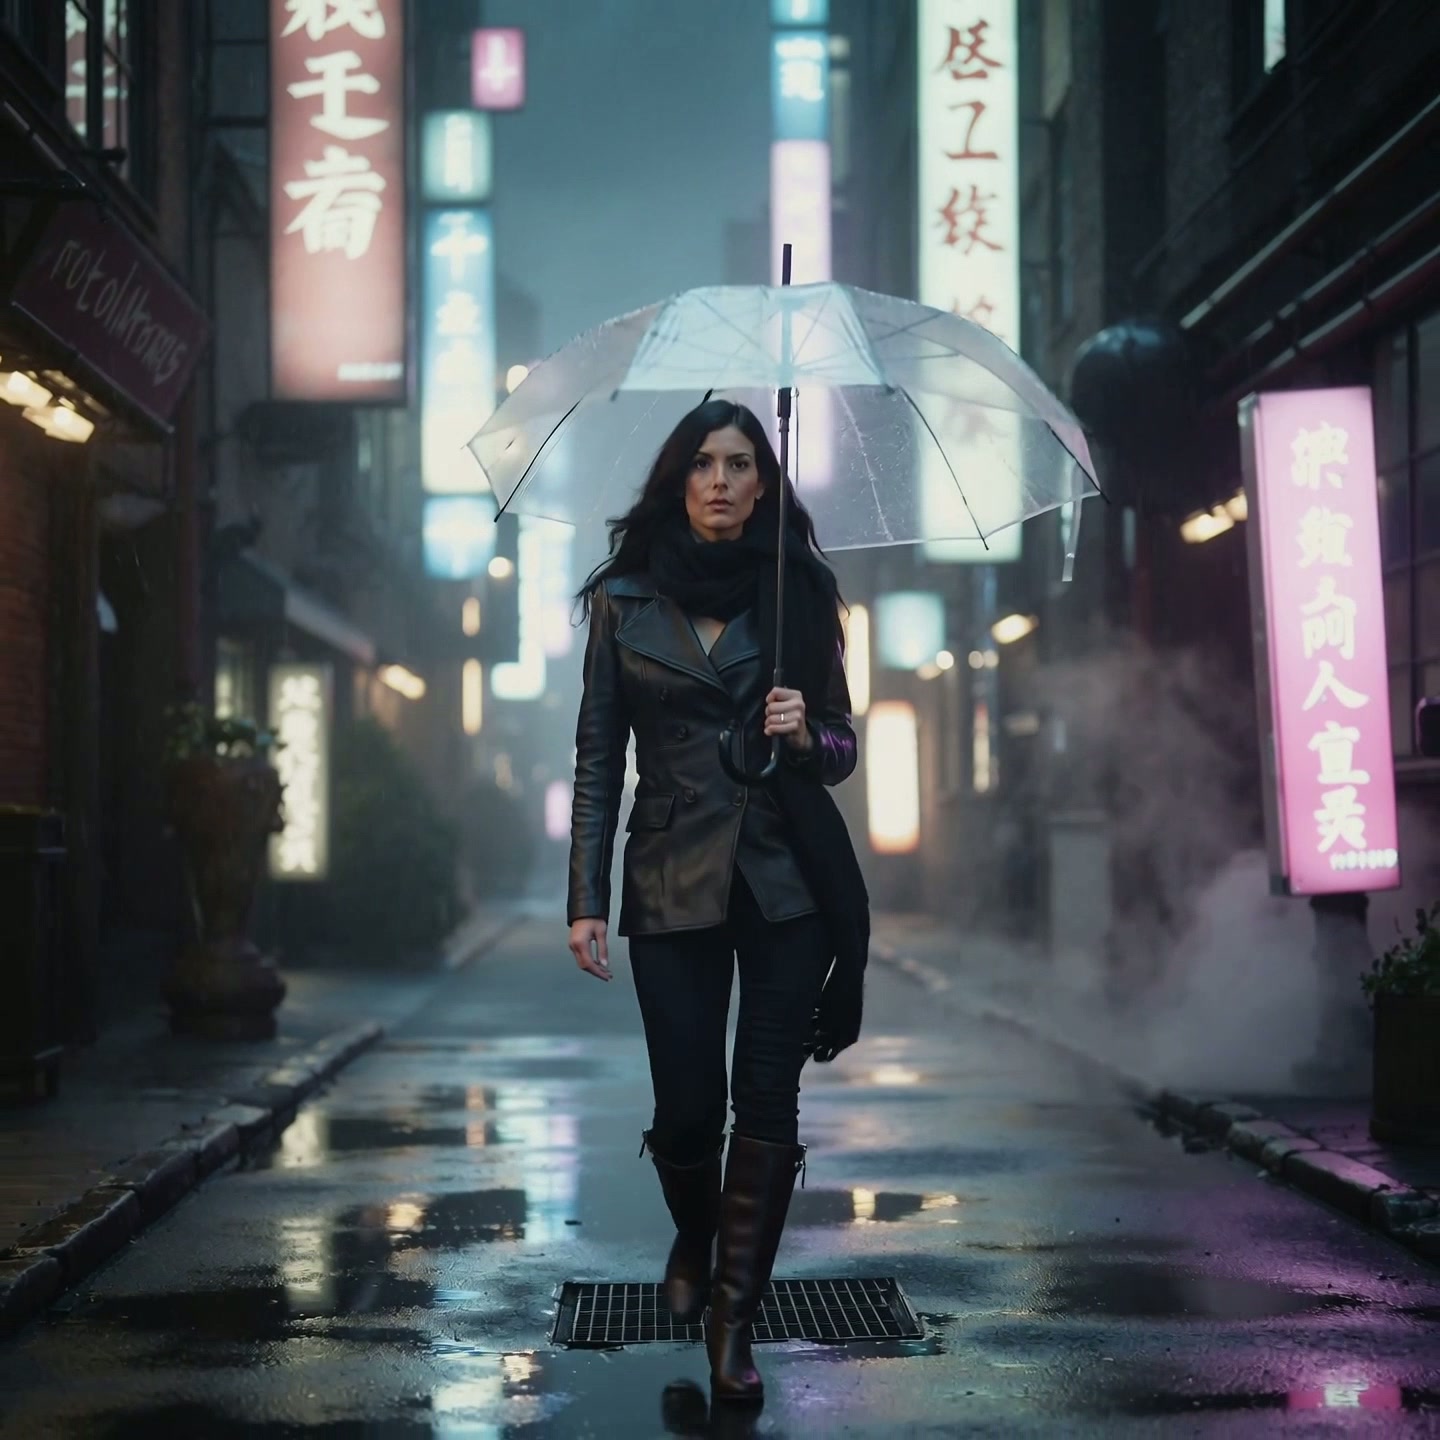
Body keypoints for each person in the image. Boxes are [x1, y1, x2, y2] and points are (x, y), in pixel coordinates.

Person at [567, 397, 870, 1403]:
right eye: (704, 463)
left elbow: (841, 748)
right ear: (678, 478)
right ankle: (695, 1236)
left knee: (767, 1099)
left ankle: (734, 1327)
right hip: (669, 879)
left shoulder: (802, 590)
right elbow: (599, 755)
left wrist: (801, 732)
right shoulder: (623, 598)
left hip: (786, 883)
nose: (723, 482)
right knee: (688, 1109)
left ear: (764, 481)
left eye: (742, 463)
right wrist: (586, 897)